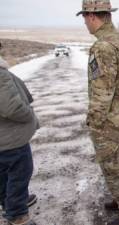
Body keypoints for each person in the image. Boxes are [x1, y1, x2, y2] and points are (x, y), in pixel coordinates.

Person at [76, 1, 119, 224]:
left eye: (85, 17)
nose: (85, 22)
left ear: (92, 16)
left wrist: (94, 122)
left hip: (110, 122)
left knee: (117, 167)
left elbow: (102, 91)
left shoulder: (103, 46)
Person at [0, 44, 39, 225]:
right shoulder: (0, 75)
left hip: (3, 141)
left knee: (4, 175)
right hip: (11, 140)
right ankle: (18, 216)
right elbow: (13, 108)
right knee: (19, 175)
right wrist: (29, 114)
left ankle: (9, 205)